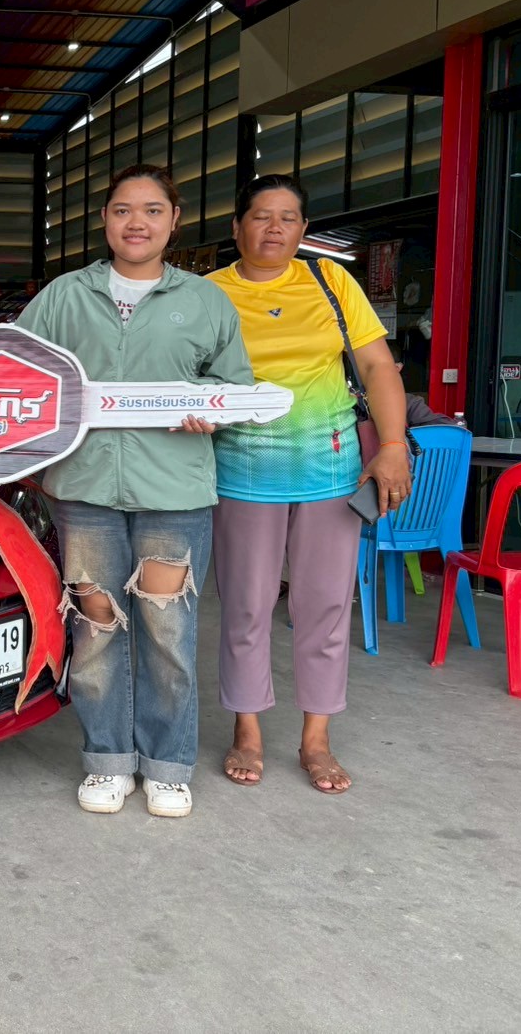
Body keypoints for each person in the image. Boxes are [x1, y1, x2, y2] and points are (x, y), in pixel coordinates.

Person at [14, 164, 253, 818]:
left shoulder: (203, 301)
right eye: (123, 210)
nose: (136, 222)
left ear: (174, 220)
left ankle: (168, 765)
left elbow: (234, 385)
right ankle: (107, 760)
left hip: (174, 491)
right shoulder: (64, 296)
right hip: (84, 487)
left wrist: (212, 409)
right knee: (95, 628)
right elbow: (17, 371)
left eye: (152, 210)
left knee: (167, 631)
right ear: (105, 220)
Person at [210, 174, 412, 795]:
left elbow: (376, 364)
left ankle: (316, 739)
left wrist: (394, 446)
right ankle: (247, 729)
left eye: (288, 218)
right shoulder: (207, 294)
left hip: (329, 469)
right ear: (237, 226)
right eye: (261, 216)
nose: (274, 228)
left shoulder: (331, 281)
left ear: (303, 229)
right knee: (246, 606)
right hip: (242, 470)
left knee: (324, 606)